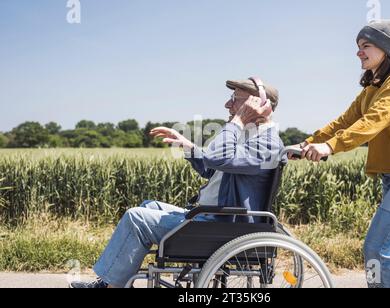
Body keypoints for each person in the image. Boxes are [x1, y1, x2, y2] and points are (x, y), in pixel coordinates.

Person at [70, 78, 284, 288]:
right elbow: (213, 169)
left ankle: (112, 288)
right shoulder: (251, 138)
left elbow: (218, 158)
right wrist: (188, 145)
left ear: (261, 105)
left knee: (136, 218)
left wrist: (237, 121)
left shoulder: (266, 144)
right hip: (212, 217)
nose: (228, 105)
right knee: (148, 206)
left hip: (221, 226)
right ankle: (112, 282)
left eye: (236, 100)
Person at [296, 20, 390, 288]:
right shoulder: (372, 88)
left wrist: (330, 147)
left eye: (366, 46)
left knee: (377, 249)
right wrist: (309, 142)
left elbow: (372, 122)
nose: (359, 52)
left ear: (386, 49)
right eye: (358, 47)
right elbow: (343, 122)